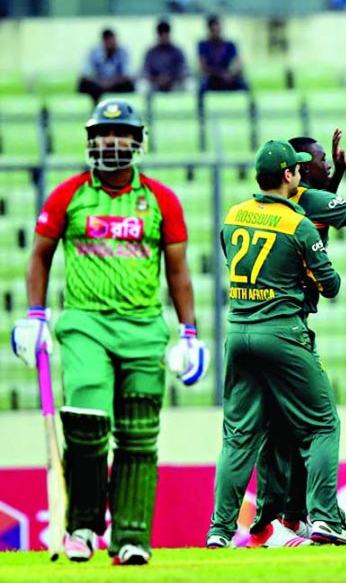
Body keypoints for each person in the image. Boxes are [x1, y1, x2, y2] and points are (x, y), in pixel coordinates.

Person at [12, 98, 208, 565]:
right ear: (89, 141)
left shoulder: (161, 199)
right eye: (101, 134)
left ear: (138, 142)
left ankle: (131, 536)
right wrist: (36, 314)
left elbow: (178, 271)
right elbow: (40, 255)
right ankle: (81, 526)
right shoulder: (69, 194)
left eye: (120, 134)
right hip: (85, 325)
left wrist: (189, 332)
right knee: (86, 422)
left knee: (139, 436)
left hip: (144, 328)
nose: (110, 142)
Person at [206, 138, 346, 548]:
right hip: (282, 333)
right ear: (290, 175)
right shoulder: (298, 224)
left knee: (238, 438)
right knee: (323, 425)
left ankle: (219, 532)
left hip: (238, 333)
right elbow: (330, 285)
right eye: (297, 170)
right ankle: (327, 519)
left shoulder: (234, 215)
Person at [244, 128, 346, 543]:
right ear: (298, 171)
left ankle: (281, 520)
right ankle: (309, 518)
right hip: (288, 328)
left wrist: (337, 177)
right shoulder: (307, 202)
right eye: (320, 162)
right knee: (317, 423)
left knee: (280, 429)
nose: (327, 164)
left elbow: (319, 208)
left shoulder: (279, 205)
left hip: (255, 324)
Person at [78, 29, 135, 103]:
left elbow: (127, 74)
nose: (110, 43)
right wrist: (100, 82)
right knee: (85, 84)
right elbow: (85, 73)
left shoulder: (123, 52)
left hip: (116, 84)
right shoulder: (95, 52)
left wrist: (111, 83)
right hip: (98, 84)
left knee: (128, 84)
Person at [197, 15, 246, 94]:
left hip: (228, 77)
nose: (216, 32)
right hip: (212, 78)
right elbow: (202, 67)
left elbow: (238, 64)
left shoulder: (230, 45)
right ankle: (200, 106)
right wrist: (220, 73)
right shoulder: (203, 45)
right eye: (214, 30)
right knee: (202, 84)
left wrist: (233, 74)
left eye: (218, 29)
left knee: (244, 83)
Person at [141, 21, 189, 93]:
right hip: (155, 83)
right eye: (162, 35)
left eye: (166, 35)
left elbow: (183, 70)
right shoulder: (151, 52)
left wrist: (170, 78)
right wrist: (158, 79)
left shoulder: (177, 51)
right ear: (158, 36)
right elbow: (145, 71)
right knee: (143, 86)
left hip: (174, 83)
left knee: (189, 84)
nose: (164, 38)